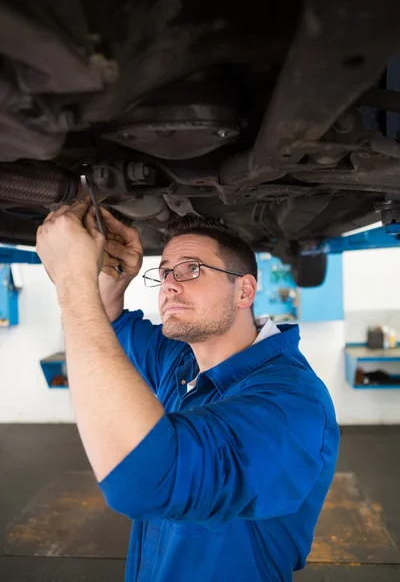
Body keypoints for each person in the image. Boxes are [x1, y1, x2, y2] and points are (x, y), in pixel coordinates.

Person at [36, 198, 340, 582]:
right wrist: (106, 283)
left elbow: (147, 481)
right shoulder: (180, 363)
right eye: (163, 273)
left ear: (245, 291)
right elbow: (108, 329)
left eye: (191, 269)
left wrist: (72, 279)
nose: (169, 286)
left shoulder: (292, 404)